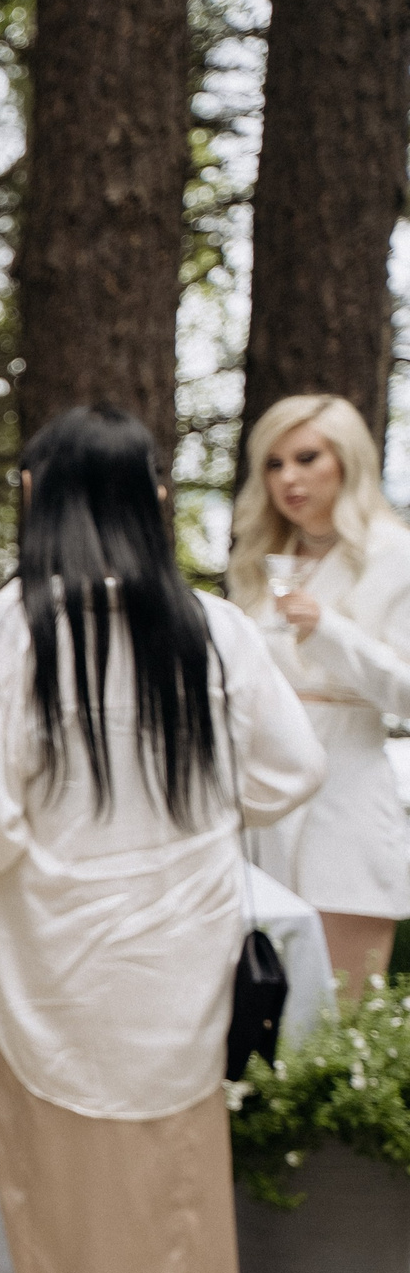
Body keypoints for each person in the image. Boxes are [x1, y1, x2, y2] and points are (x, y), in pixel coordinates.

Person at [0, 404, 322, 1273]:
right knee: (175, 1228)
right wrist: (195, 811)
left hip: (58, 972)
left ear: (39, 495)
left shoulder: (11, 624)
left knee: (72, 1234)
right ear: (151, 499)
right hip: (180, 969)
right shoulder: (211, 626)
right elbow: (289, 770)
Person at [228, 394, 410, 994]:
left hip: (347, 798)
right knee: (256, 1012)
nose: (289, 478)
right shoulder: (262, 560)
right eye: (274, 464)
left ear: (347, 461)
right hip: (262, 804)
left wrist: (328, 630)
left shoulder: (395, 555)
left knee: (341, 1011)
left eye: (307, 458)